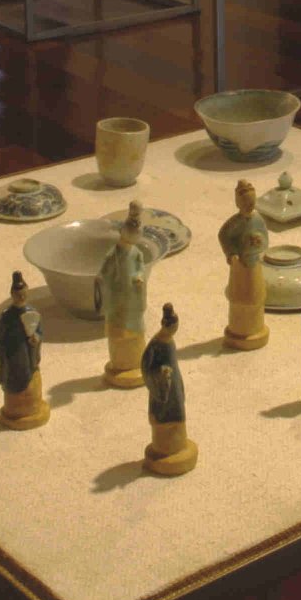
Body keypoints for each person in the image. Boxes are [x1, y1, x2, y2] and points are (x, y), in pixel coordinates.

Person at [96, 202, 150, 389]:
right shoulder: (115, 255)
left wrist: (138, 278)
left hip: (133, 302)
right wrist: (112, 284)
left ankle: (135, 363)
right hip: (119, 303)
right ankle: (120, 365)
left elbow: (140, 269)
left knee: (135, 334)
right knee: (119, 335)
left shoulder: (136, 253)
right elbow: (103, 274)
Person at [140, 303, 197, 475]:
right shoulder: (155, 345)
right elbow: (145, 367)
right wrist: (160, 374)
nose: (174, 330)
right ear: (165, 326)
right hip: (163, 389)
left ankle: (178, 446)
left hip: (174, 387)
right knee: (163, 418)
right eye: (173, 327)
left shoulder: (169, 341)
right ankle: (165, 449)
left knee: (178, 413)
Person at [0, 271, 49, 429]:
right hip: (13, 356)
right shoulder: (6, 317)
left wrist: (36, 339)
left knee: (31, 376)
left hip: (28, 355)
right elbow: (1, 341)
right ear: (13, 295)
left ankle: (31, 405)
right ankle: (17, 409)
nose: (22, 297)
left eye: (24, 294)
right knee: (15, 378)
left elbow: (38, 332)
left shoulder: (32, 313)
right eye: (18, 295)